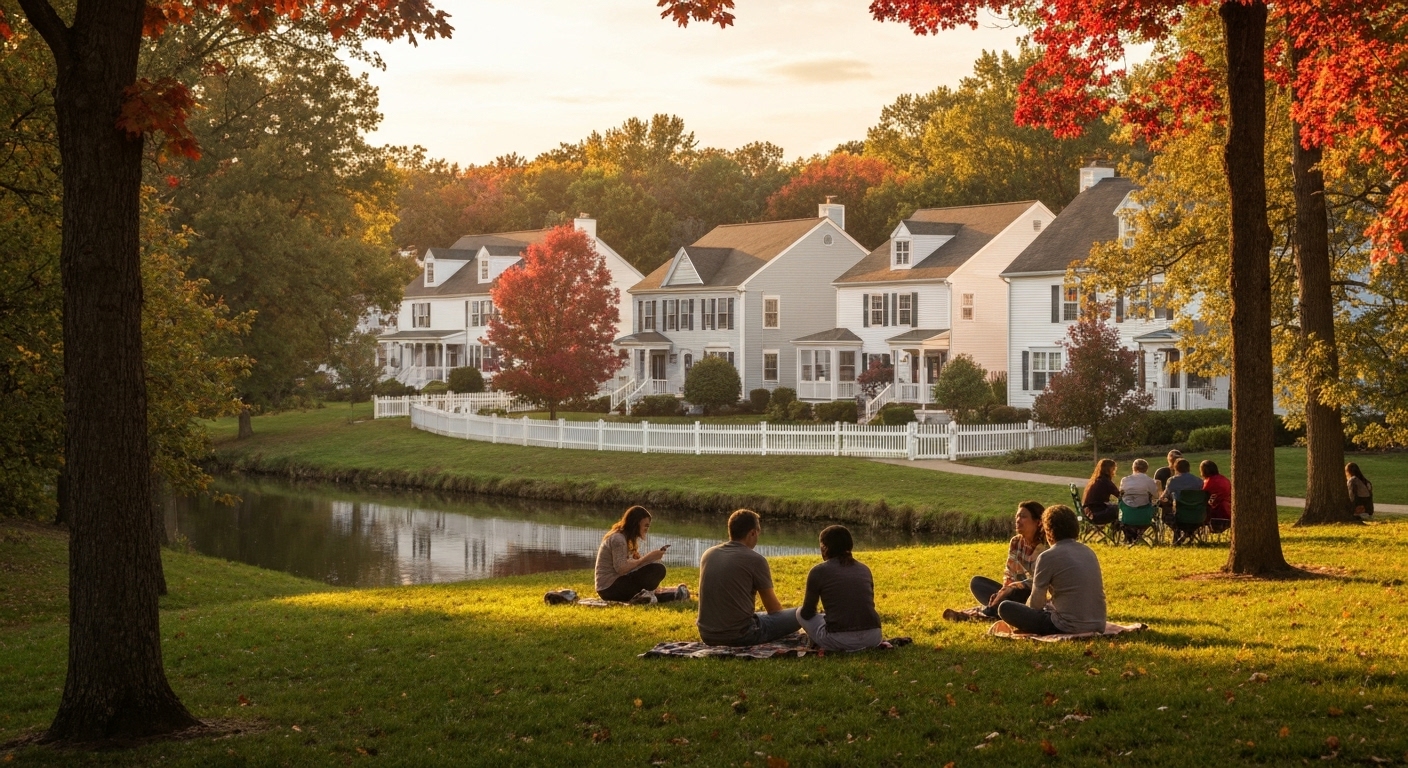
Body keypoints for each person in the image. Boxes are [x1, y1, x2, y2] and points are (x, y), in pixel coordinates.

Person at [995, 505, 1107, 636]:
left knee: (1005, 608)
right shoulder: (1089, 552)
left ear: (1048, 531)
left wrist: (1025, 610)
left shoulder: (1048, 556)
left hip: (1066, 625)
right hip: (1098, 623)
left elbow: (1035, 604)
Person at [697, 509, 801, 646]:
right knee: (801, 614)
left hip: (707, 634)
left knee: (762, 616)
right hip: (741, 635)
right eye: (758, 532)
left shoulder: (708, 554)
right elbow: (773, 609)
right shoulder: (755, 560)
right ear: (752, 533)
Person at [946, 501, 1047, 621]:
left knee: (1015, 592)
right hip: (1012, 594)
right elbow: (1010, 573)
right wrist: (1001, 592)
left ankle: (984, 614)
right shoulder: (1016, 542)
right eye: (1017, 516)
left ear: (1038, 522)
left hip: (1034, 597)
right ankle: (998, 609)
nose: (1018, 520)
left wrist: (1012, 588)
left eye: (1023, 516)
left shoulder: (1046, 547)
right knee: (977, 583)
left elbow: (1040, 582)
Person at [795, 525, 883, 651]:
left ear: (824, 548)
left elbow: (807, 613)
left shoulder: (818, 571)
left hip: (839, 640)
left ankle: (819, 641)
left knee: (799, 612)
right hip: (874, 637)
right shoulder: (865, 569)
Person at [594, 506, 688, 604]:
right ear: (636, 524)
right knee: (657, 569)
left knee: (654, 568)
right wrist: (646, 558)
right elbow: (621, 568)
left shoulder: (624, 539)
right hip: (609, 588)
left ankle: (674, 595)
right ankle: (666, 595)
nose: (647, 529)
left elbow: (628, 566)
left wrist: (648, 560)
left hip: (614, 586)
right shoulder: (618, 539)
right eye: (646, 525)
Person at [1160, 458, 1206, 542]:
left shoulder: (1172, 481)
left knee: (1166, 512)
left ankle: (1179, 534)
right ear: (1188, 468)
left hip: (1179, 516)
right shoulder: (1199, 481)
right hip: (1197, 515)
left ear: (1175, 469)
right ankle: (1188, 534)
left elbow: (1164, 497)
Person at [1081, 459, 1120, 527]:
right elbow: (1119, 495)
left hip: (1087, 512)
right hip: (1096, 514)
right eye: (1113, 469)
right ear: (1108, 469)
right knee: (1120, 509)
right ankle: (1120, 530)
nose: (1114, 471)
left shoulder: (1096, 480)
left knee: (1114, 507)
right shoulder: (1105, 482)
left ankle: (1114, 531)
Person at [1200, 460, 1232, 533]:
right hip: (1228, 511)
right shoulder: (1225, 480)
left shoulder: (1208, 483)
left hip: (1216, 513)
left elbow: (1202, 497)